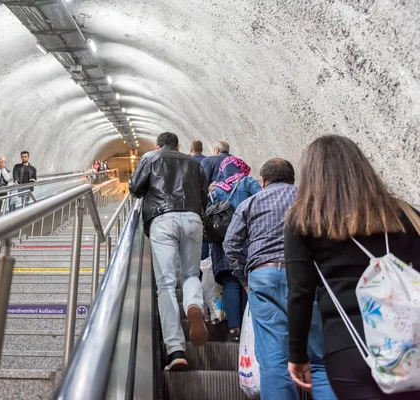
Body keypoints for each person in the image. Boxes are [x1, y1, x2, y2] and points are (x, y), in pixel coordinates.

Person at [285, 135, 420, 400]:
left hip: (348, 346)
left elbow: (300, 293)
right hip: (410, 343)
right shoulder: (406, 214)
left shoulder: (303, 222)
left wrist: (297, 354)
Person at [224, 158, 335, 400]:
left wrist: (245, 277)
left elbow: (230, 244)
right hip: (308, 277)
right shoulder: (312, 201)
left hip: (264, 277)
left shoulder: (250, 203)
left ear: (263, 182)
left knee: (273, 361)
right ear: (293, 179)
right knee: (318, 359)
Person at [129, 132, 208, 371]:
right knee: (191, 275)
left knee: (165, 285)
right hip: (193, 218)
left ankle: (176, 351)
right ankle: (194, 305)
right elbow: (204, 197)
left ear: (158, 145)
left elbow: (135, 188)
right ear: (179, 145)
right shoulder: (194, 163)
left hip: (162, 219)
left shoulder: (151, 157)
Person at [209, 155, 261, 341]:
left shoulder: (215, 189)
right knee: (247, 282)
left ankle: (234, 330)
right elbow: (261, 199)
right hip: (248, 239)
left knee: (230, 283)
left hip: (223, 242)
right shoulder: (247, 182)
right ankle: (250, 328)